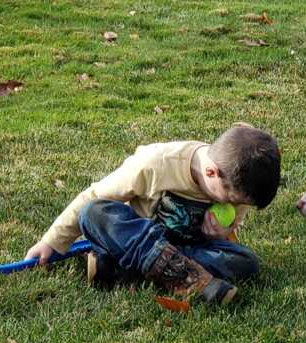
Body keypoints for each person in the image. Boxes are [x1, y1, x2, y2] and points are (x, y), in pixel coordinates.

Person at [25, 125, 281, 305]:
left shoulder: (241, 182)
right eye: (232, 200)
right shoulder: (156, 163)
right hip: (141, 240)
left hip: (190, 247)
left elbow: (235, 219)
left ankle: (117, 270)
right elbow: (92, 198)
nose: (235, 207)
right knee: (94, 213)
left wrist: (224, 232)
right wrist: (51, 242)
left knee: (247, 262)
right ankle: (183, 277)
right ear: (212, 173)